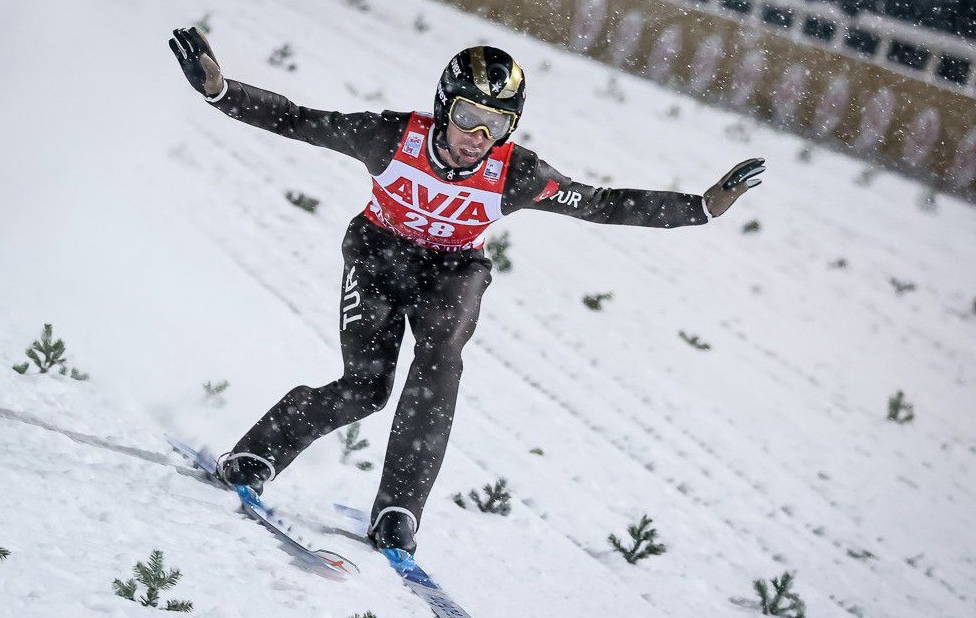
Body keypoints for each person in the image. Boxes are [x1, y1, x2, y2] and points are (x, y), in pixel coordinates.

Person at [168, 26, 766, 556]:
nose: (477, 136)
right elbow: (299, 120)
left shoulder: (516, 173)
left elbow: (600, 203)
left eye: (496, 125)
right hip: (377, 255)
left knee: (437, 369)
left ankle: (399, 510)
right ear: (441, 108)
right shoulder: (391, 138)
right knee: (366, 387)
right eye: (466, 117)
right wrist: (220, 90)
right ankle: (258, 453)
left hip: (450, 275)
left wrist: (703, 209)